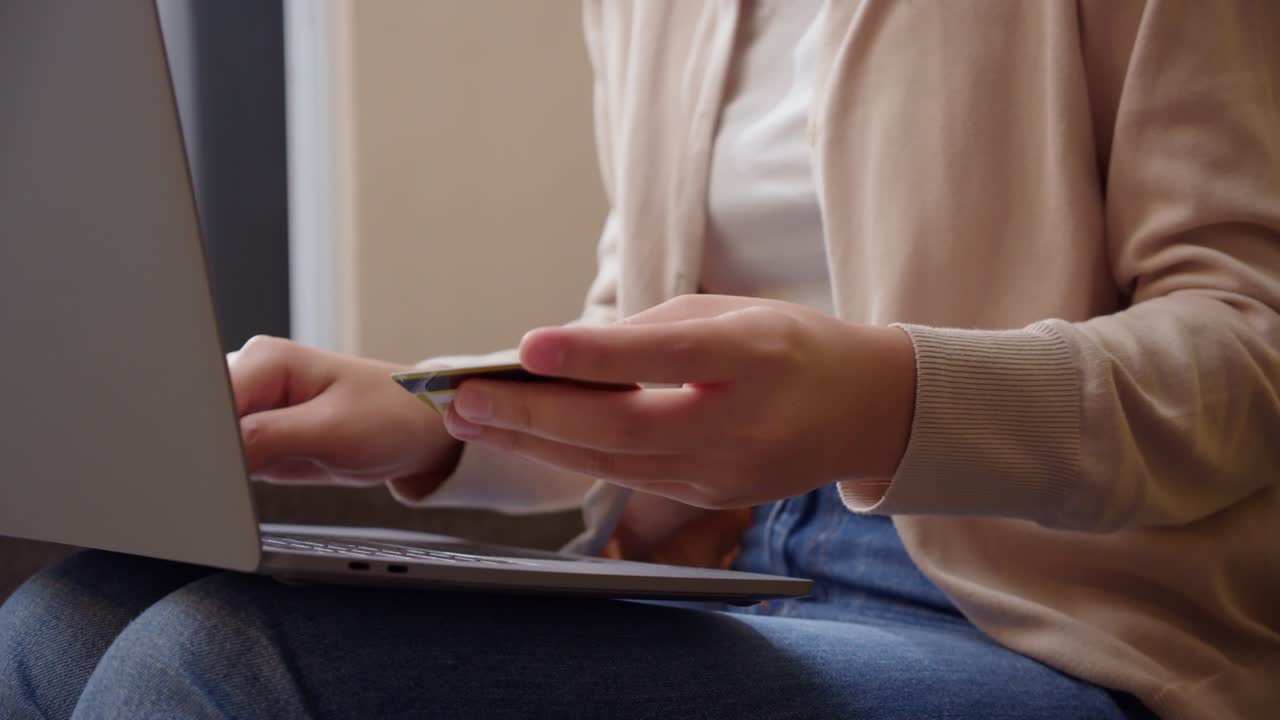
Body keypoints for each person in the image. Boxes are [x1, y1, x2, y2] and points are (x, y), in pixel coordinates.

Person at [3, 1, 1277, 718]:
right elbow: (640, 345)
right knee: (62, 617)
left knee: (219, 666)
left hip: (1057, 629)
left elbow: (1249, 351)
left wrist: (887, 406)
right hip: (723, 571)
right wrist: (435, 420)